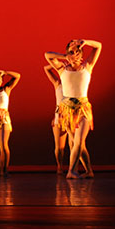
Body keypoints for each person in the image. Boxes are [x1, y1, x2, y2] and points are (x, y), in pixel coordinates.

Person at [45, 39, 101, 179]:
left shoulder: (87, 66)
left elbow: (98, 46)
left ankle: (71, 171)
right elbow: (47, 55)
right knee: (78, 143)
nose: (74, 54)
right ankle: (89, 171)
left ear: (81, 54)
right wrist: (66, 57)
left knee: (79, 141)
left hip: (83, 108)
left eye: (77, 52)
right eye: (71, 52)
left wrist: (85, 42)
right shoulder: (62, 68)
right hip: (67, 110)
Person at [43, 65, 89, 175]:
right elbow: (46, 68)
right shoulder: (58, 84)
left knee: (74, 143)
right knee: (59, 147)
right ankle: (59, 166)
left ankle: (74, 168)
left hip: (73, 115)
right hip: (60, 115)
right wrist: (63, 62)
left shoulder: (76, 83)